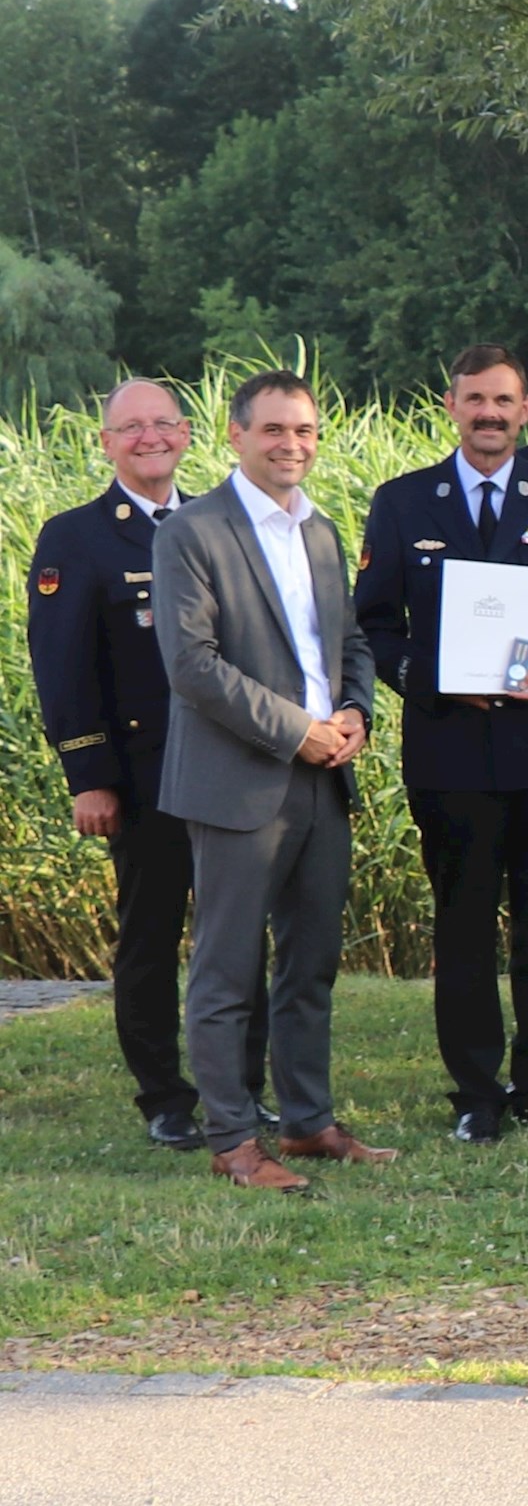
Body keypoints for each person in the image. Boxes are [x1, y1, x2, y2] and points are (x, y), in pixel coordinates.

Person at [351, 344, 528, 1142]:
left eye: (504, 401)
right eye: (474, 400)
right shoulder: (402, 502)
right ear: (451, 406)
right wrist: (433, 676)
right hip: (450, 749)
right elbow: (376, 626)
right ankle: (476, 1093)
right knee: (462, 926)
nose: (489, 414)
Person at [151, 370, 384, 1191]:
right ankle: (232, 1140)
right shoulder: (192, 531)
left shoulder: (319, 531)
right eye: (275, 431)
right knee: (227, 969)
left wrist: (355, 713)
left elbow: (346, 641)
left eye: (306, 432)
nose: (293, 445)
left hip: (325, 779)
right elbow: (193, 666)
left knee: (311, 960)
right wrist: (301, 733)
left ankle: (309, 1120)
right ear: (236, 435)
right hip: (238, 782)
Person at [28, 378, 260, 1148]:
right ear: (106, 443)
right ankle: (165, 1096)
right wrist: (88, 776)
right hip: (144, 773)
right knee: (152, 937)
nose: (149, 437)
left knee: (236, 935)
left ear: (189, 434)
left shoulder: (222, 524)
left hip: (229, 767)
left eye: (163, 424)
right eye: (131, 428)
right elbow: (61, 666)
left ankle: (242, 1088)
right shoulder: (76, 536)